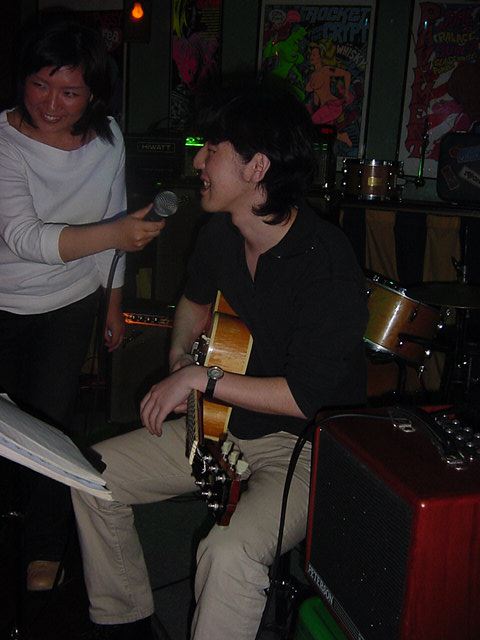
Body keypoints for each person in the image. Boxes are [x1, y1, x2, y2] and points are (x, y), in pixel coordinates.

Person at [72, 82, 368, 640]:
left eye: (212, 149)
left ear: (257, 167)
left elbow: (303, 396)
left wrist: (198, 376)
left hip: (304, 447)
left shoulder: (326, 261)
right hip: (221, 424)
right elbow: (193, 301)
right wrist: (179, 356)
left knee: (229, 553)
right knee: (89, 476)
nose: (198, 161)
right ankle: (126, 622)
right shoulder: (219, 236)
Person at [0, 20, 165, 592]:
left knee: (49, 425)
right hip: (3, 299)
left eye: (69, 92)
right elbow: (23, 238)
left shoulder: (107, 139)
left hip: (69, 302)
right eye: (40, 85)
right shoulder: (4, 142)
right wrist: (115, 234)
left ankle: (43, 547)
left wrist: (113, 303)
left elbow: (111, 216)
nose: (50, 104)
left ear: (93, 94)